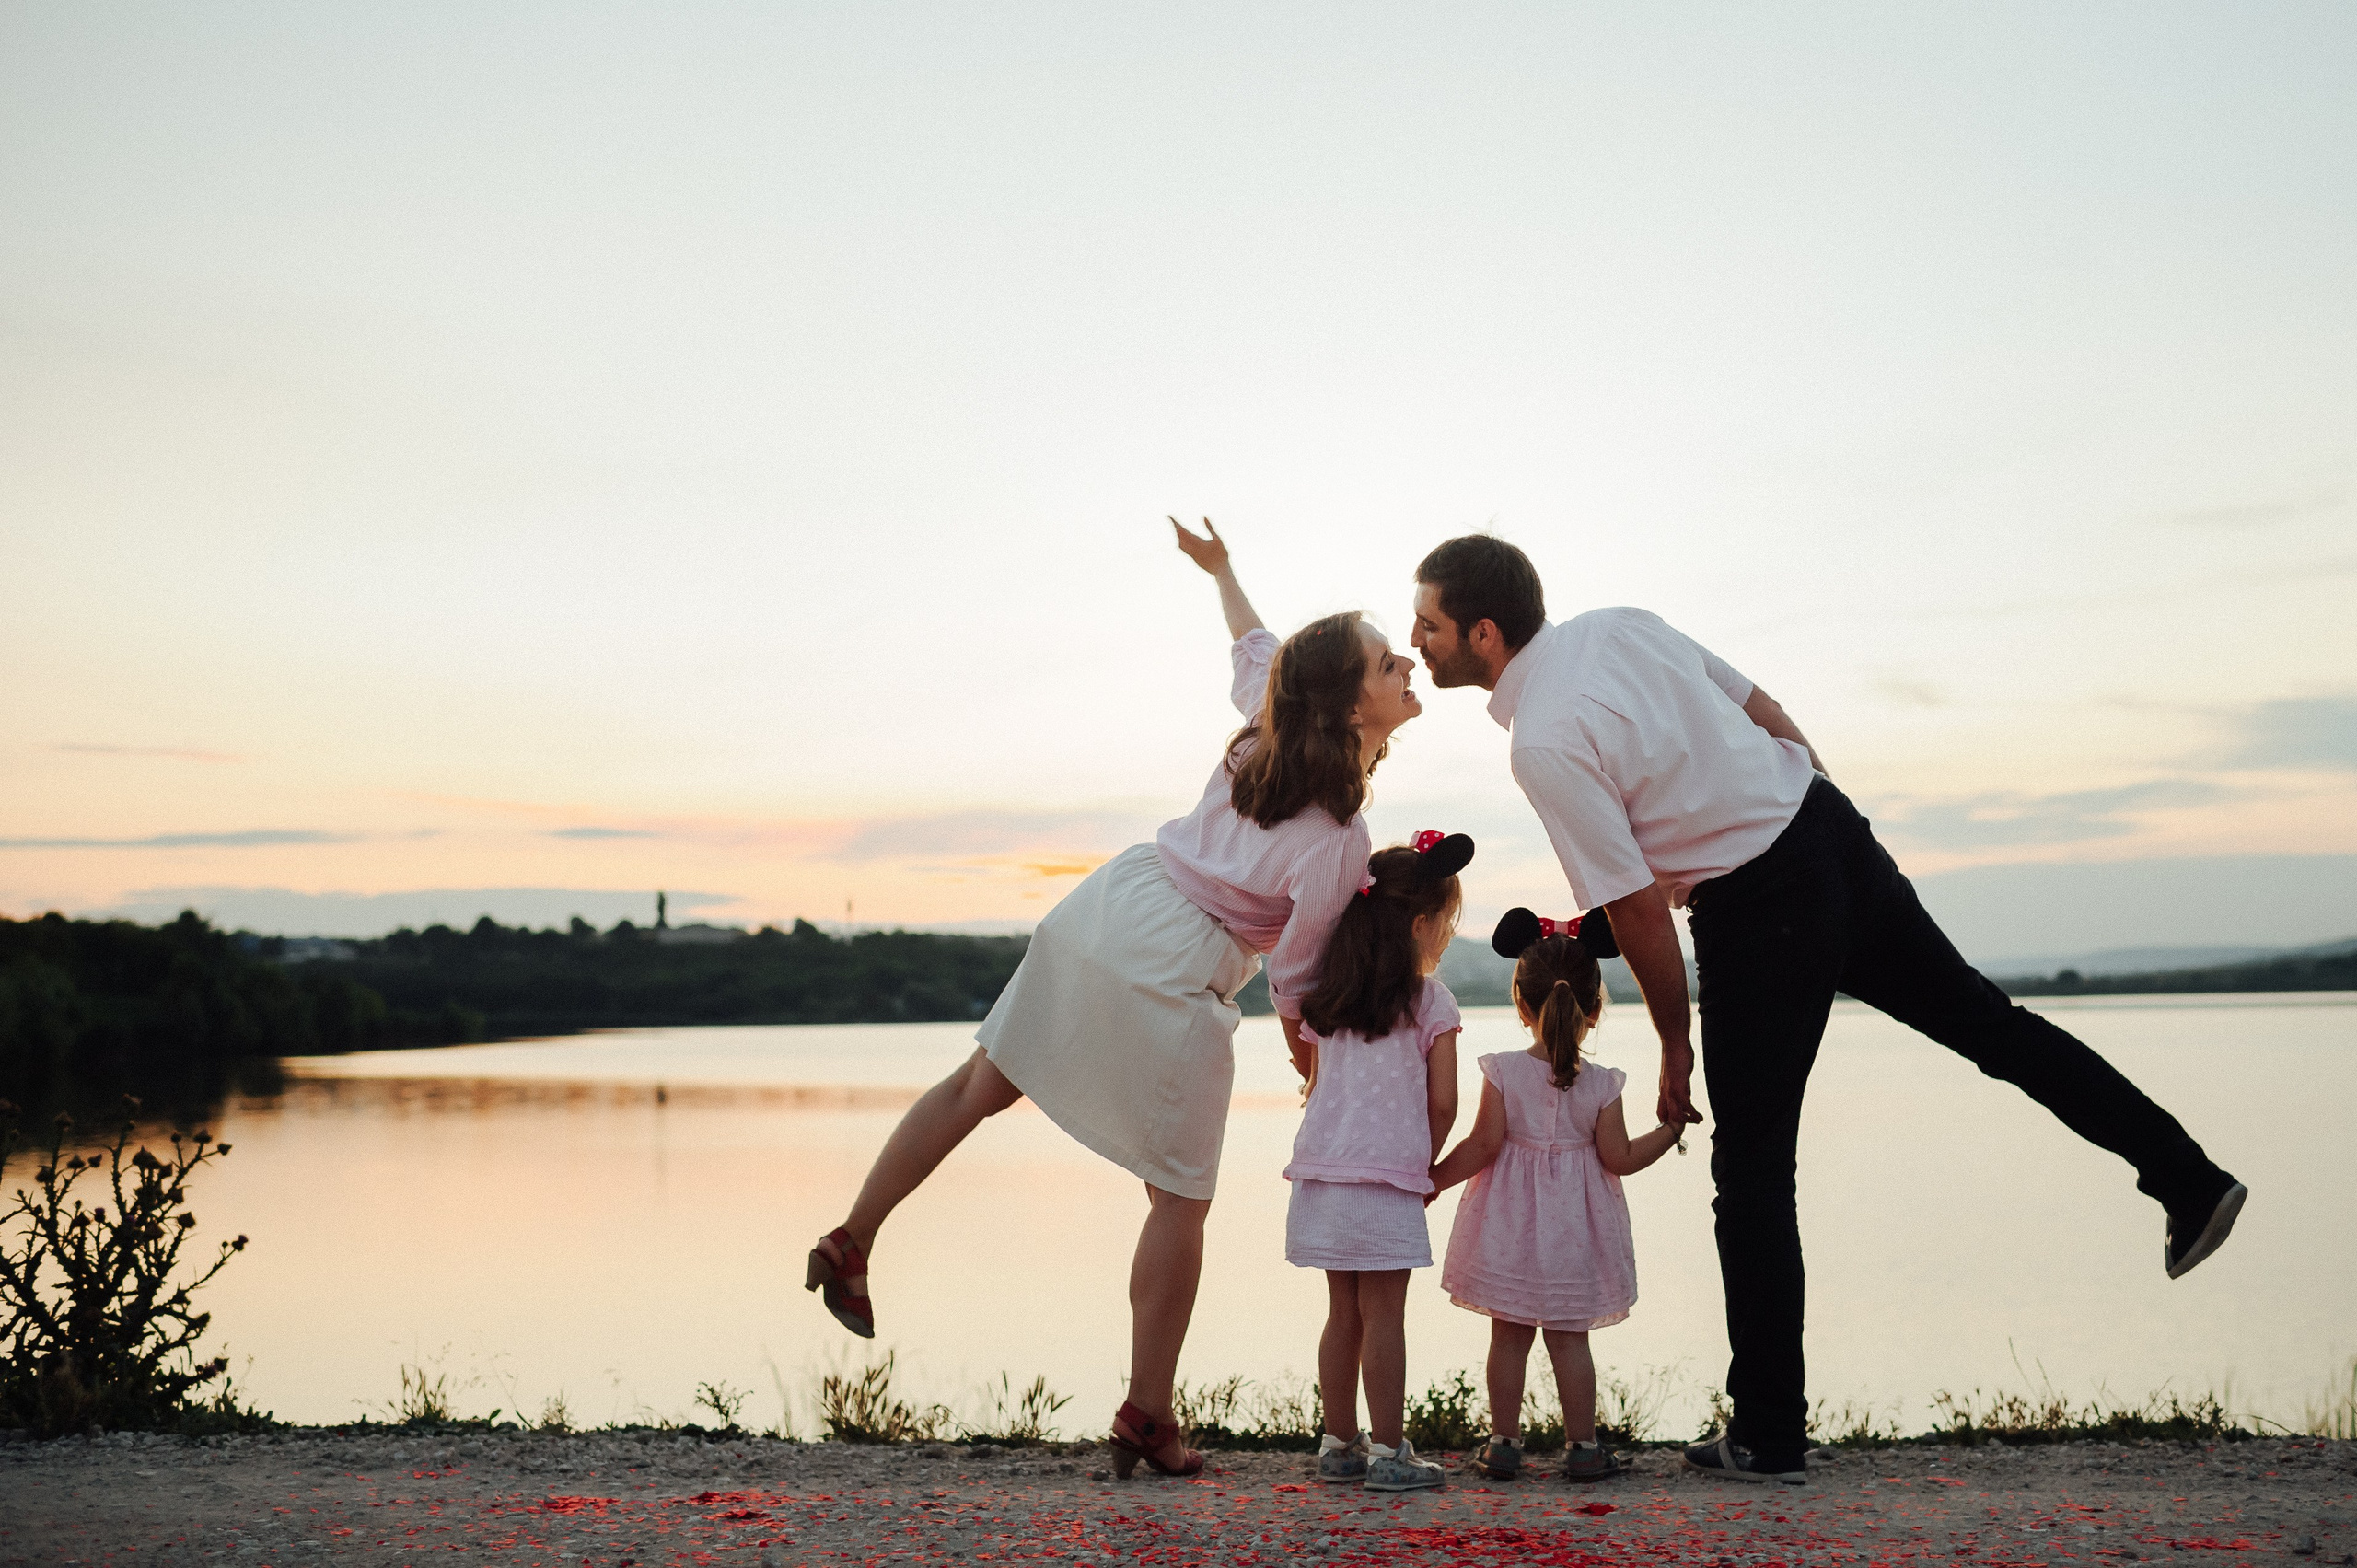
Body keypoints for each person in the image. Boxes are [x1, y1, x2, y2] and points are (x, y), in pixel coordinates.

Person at [1407, 533, 2246, 1487]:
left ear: (1482, 630)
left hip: (1756, 903)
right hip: (1827, 832)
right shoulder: (1619, 626)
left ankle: (1766, 1432)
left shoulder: (1544, 738)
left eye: (1427, 623)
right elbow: (1758, 707)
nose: (1417, 639)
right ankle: (2188, 1176)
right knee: (1993, 1026)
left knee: (1753, 1169)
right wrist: (1812, 806)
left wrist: (1675, 1045)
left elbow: (1637, 906)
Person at [807, 518, 1424, 1481]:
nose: (1406, 669)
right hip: (1174, 959)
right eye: (1390, 664)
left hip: (1111, 899)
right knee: (1179, 1196)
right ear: (1351, 709)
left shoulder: (1257, 737)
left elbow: (1254, 649)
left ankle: (853, 1234)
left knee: (979, 1083)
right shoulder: (1339, 832)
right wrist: (1311, 1059)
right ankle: (1148, 1412)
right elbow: (1297, 977)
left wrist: (1221, 569)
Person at [1429, 909, 1682, 1483]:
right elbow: (1619, 1158)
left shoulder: (1503, 1072)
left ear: (1520, 1003)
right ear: (1595, 1008)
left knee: (1509, 1336)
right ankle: (1584, 1448)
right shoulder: (1602, 1083)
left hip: (1508, 1226)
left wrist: (1432, 1180)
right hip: (1577, 1230)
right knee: (1570, 1341)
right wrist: (1671, 1131)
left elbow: (1483, 1145)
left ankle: (1503, 1444)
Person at [1281, 830, 1473, 1493]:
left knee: (1344, 1311)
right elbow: (1444, 1100)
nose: (1446, 935)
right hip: (1386, 1175)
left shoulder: (1329, 997)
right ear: (1419, 925)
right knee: (1385, 1313)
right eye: (1446, 923)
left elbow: (1314, 1074)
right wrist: (1425, 1160)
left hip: (1323, 1171)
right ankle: (1391, 1451)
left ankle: (1339, 1444)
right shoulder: (1431, 1001)